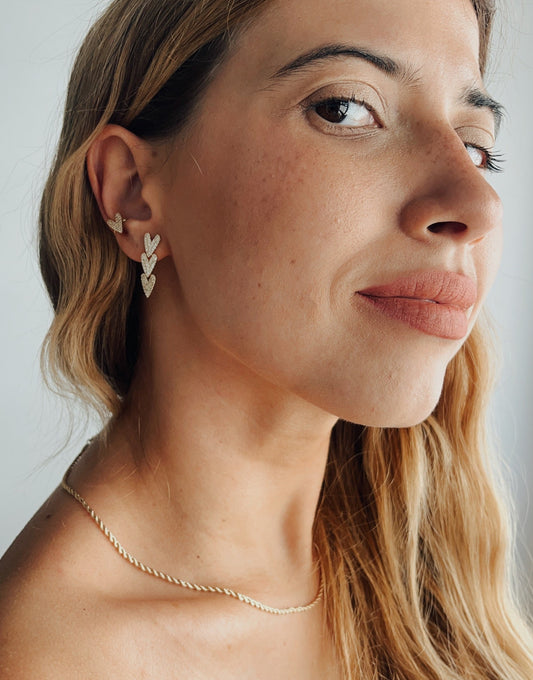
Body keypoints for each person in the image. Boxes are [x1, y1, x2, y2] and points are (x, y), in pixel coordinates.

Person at [1, 0, 532, 677]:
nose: (478, 203)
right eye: (344, 109)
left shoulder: (438, 597)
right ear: (133, 191)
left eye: (475, 145)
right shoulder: (50, 659)